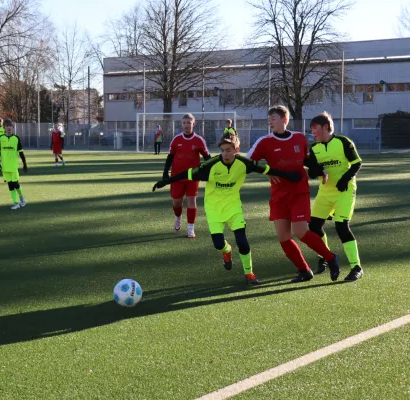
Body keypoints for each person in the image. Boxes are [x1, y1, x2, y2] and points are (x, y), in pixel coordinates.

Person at [153, 133, 301, 284]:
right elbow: (188, 173)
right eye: (223, 150)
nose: (225, 153)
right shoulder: (210, 165)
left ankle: (249, 273)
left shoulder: (244, 163)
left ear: (236, 149)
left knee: (242, 242)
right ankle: (227, 251)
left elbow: (265, 168)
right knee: (219, 245)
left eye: (229, 150)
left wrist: (289, 175)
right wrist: (166, 182)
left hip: (233, 207)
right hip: (214, 209)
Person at [247, 105, 340, 283]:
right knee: (283, 236)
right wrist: (267, 171)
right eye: (269, 119)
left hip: (299, 191)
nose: (270, 122)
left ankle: (330, 257)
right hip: (278, 195)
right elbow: (247, 161)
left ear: (284, 119)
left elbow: (307, 159)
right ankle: (304, 270)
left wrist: (320, 170)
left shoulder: (298, 138)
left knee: (300, 231)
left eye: (273, 118)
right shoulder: (264, 141)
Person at [307, 112, 364, 281]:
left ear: (326, 127)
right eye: (311, 130)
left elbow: (357, 163)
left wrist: (345, 179)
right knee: (314, 227)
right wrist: (320, 171)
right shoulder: (314, 148)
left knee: (341, 226)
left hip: (344, 191)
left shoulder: (343, 142)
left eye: (315, 128)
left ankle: (356, 267)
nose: (313, 132)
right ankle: (324, 256)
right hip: (325, 192)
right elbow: (311, 171)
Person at [163, 113, 211, 238]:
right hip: (177, 177)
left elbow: (207, 158)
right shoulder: (176, 139)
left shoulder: (199, 140)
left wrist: (208, 171)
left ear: (193, 124)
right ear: (181, 124)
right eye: (184, 123)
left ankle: (190, 228)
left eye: (188, 123)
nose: (186, 125)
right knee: (177, 202)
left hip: (192, 177)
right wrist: (165, 172)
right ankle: (178, 218)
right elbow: (170, 157)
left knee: (191, 201)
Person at [0, 119, 28, 209]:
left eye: (10, 126)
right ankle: (16, 203)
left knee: (15, 184)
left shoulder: (16, 138)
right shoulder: (1, 138)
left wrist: (24, 163)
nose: (8, 127)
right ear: (4, 127)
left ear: (12, 127)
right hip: (5, 166)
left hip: (14, 166)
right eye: (7, 126)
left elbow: (21, 152)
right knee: (10, 185)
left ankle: (22, 199)